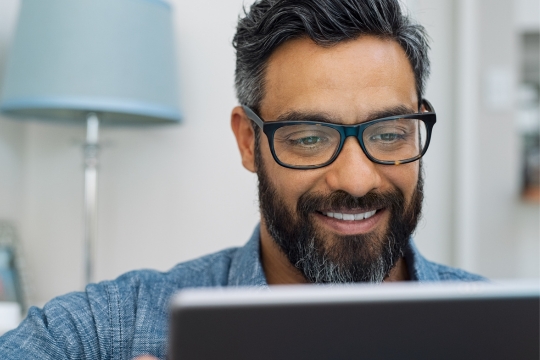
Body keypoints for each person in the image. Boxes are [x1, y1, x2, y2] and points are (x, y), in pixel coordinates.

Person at [0, 0, 484, 358]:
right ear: (249, 142)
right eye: (310, 138)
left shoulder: (505, 332)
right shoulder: (111, 329)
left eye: (389, 133)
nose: (356, 180)